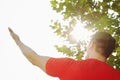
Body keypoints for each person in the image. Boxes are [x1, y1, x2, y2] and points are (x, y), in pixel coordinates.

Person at [8, 27, 120, 80]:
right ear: (109, 55)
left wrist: (18, 42)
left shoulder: (68, 66)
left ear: (91, 44)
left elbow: (33, 57)